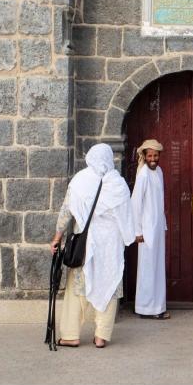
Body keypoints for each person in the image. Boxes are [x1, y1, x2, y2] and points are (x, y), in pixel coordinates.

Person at [49, 143, 135, 348]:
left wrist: (57, 237)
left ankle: (70, 335)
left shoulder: (80, 181)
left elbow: (66, 211)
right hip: (110, 244)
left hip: (85, 242)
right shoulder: (118, 184)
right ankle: (101, 336)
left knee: (78, 287)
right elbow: (127, 214)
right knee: (110, 282)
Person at [131, 139, 169, 320]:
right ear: (144, 157)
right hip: (146, 230)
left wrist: (163, 223)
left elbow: (159, 202)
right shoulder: (143, 175)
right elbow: (135, 204)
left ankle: (157, 307)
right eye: (150, 156)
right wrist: (137, 231)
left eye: (156, 155)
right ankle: (146, 308)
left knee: (157, 267)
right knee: (147, 268)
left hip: (157, 227)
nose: (153, 159)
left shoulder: (159, 172)